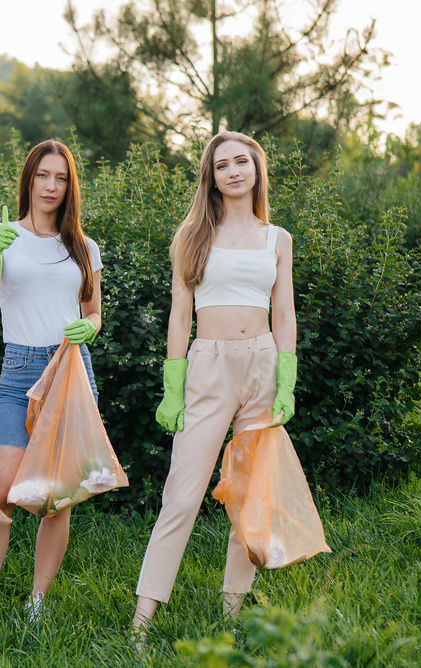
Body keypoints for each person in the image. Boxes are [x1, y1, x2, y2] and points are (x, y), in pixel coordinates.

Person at [131, 131, 298, 639]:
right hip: (208, 366)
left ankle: (231, 613)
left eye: (241, 162)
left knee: (249, 497)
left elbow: (285, 313)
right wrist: (173, 385)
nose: (232, 171)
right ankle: (141, 622)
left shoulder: (278, 239)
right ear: (212, 177)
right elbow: (180, 316)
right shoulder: (191, 236)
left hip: (263, 366)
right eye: (222, 165)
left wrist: (286, 380)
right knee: (181, 496)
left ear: (256, 170)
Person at [0, 139, 103, 626]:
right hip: (19, 365)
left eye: (61, 178)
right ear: (29, 179)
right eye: (43, 175)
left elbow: (94, 313)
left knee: (57, 496)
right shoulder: (0, 232)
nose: (51, 186)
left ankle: (36, 601)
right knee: (1, 489)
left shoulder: (83, 246)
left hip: (70, 367)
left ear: (70, 186)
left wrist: (88, 327)